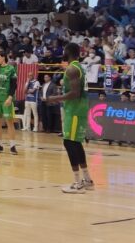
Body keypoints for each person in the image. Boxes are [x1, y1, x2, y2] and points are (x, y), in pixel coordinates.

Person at [46, 43, 94, 193]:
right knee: (76, 143)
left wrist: (55, 98)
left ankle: (78, 183)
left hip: (75, 110)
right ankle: (87, 179)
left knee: (69, 143)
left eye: (64, 50)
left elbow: (75, 93)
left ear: (68, 52)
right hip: (79, 109)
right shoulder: (79, 68)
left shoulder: (72, 69)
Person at [0, 52, 18, 155]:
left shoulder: (10, 69)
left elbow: (14, 85)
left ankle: (13, 146)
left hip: (6, 99)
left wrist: (10, 97)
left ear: (3, 58)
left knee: (10, 123)